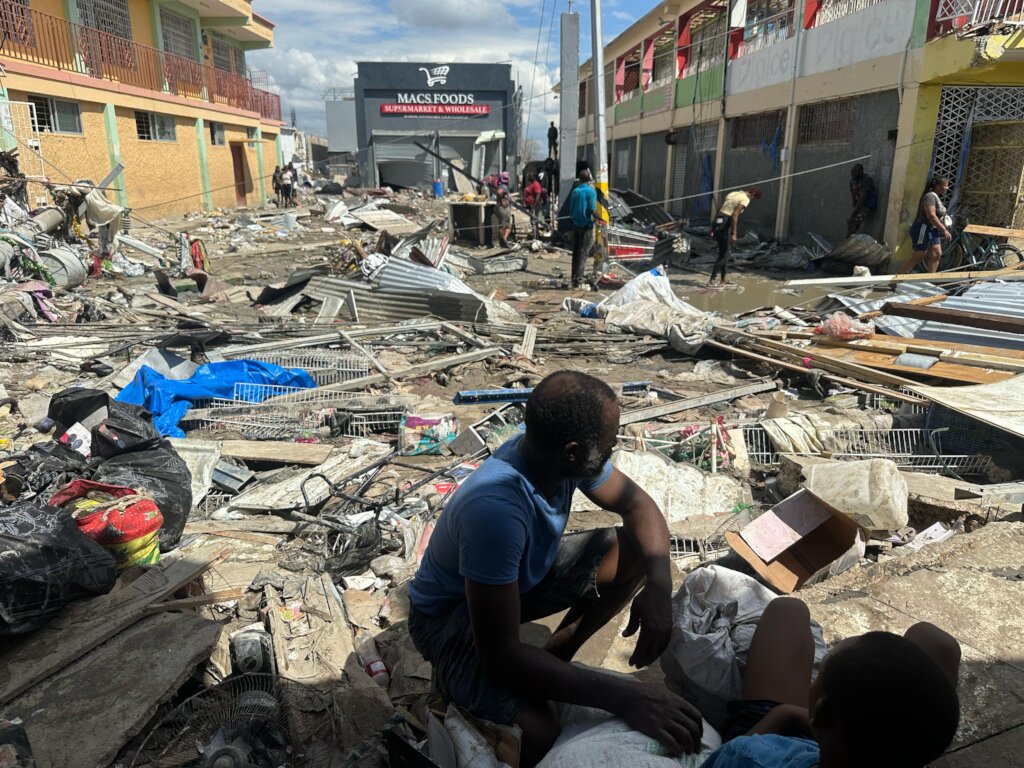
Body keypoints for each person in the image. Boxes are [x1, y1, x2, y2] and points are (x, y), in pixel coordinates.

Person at [408, 371, 701, 768]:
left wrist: (658, 586)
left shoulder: (556, 458)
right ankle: (462, 683)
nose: (614, 447)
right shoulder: (496, 511)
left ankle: (553, 663)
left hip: (513, 581)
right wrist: (626, 696)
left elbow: (639, 507)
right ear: (573, 452)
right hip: (449, 616)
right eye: (609, 443)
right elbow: (500, 654)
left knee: (633, 550)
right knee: (537, 733)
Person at [699, 597, 961, 768]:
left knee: (788, 609)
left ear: (821, 711)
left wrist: (784, 713)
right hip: (841, 742)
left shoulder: (747, 757)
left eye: (820, 672)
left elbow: (733, 753)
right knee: (936, 642)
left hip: (780, 744)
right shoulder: (902, 750)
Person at [710, 186, 761, 287]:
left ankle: (723, 279)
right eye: (753, 199)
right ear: (752, 194)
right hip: (725, 222)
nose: (752, 201)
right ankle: (711, 280)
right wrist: (734, 233)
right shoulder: (745, 199)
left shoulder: (733, 194)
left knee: (725, 252)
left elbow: (720, 209)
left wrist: (713, 226)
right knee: (723, 254)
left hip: (718, 220)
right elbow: (734, 215)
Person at [901, 177, 952, 274]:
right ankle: (896, 278)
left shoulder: (936, 197)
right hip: (923, 228)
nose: (947, 188)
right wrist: (944, 229)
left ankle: (929, 279)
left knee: (936, 254)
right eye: (945, 185)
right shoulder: (929, 197)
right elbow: (931, 216)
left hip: (933, 229)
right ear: (938, 186)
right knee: (918, 256)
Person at [569, 169, 599, 289]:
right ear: (589, 179)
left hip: (576, 225)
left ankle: (574, 277)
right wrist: (601, 219)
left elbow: (571, 209)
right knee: (584, 252)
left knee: (576, 252)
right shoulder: (590, 192)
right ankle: (579, 279)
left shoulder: (575, 191)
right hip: (586, 226)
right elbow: (592, 210)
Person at [846, 163, 877, 237]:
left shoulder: (866, 180)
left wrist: (853, 214)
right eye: (852, 172)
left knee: (854, 222)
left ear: (861, 172)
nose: (852, 174)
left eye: (855, 173)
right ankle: (848, 239)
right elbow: (853, 193)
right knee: (851, 222)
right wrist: (854, 204)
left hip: (867, 205)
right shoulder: (852, 181)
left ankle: (848, 240)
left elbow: (862, 198)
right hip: (859, 205)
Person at [524, 173, 544, 240]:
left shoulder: (536, 184)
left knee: (534, 220)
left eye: (530, 176)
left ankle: (536, 237)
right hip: (531, 205)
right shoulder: (531, 184)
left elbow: (538, 195)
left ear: (534, 177)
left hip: (534, 205)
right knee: (532, 220)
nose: (528, 177)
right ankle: (535, 235)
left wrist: (534, 206)